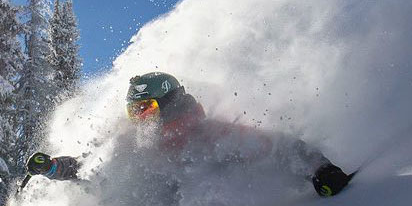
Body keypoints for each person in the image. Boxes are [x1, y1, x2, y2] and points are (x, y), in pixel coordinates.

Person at [26, 72, 353, 197]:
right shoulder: (129, 142)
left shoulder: (209, 135)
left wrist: (321, 169)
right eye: (133, 111)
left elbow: (280, 148)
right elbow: (89, 168)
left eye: (146, 109)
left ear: (169, 104)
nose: (139, 119)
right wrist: (53, 167)